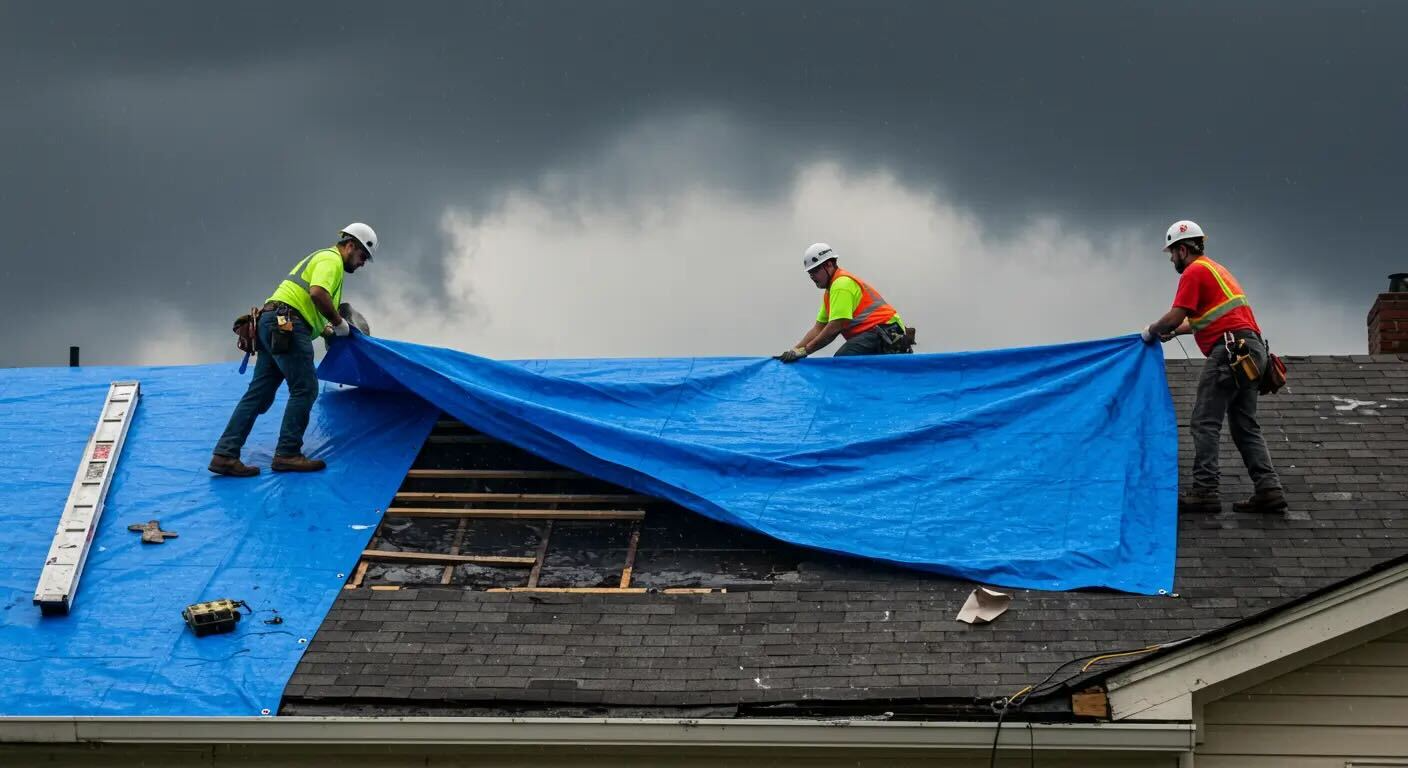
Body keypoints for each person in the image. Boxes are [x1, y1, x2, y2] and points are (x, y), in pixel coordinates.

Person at [208, 223, 378, 477]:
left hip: (272, 323)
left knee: (258, 394)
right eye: (363, 256)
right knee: (305, 388)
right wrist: (339, 322)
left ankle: (224, 455)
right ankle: (288, 454)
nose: (363, 262)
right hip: (287, 326)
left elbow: (304, 302)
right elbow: (317, 294)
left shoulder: (320, 258)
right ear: (350, 245)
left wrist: (326, 330)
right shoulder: (331, 261)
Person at [1141, 220, 1286, 514]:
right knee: (1245, 426)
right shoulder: (1217, 270)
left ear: (1183, 249)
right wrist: (1176, 331)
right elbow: (1206, 318)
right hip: (1252, 352)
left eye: (1172, 253)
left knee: (1204, 421)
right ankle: (1269, 489)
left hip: (1228, 352)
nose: (1171, 259)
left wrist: (1152, 331)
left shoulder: (1194, 271)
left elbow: (1176, 314)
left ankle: (1205, 490)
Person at [778, 243, 910, 362]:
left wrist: (806, 350)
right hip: (878, 334)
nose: (812, 276)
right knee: (846, 361)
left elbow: (835, 327)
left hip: (887, 333)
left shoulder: (841, 285)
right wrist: (795, 350)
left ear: (829, 265)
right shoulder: (830, 292)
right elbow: (818, 328)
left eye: (815, 271)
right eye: (810, 273)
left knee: (843, 360)